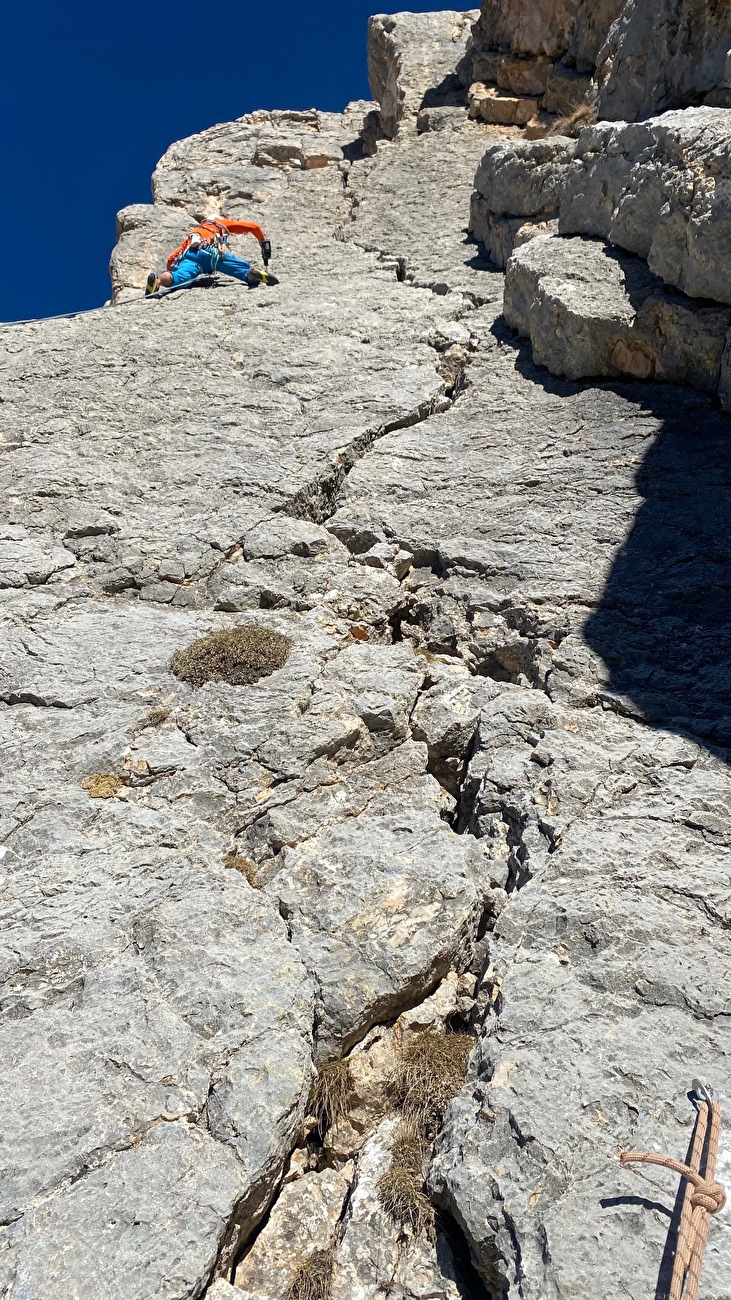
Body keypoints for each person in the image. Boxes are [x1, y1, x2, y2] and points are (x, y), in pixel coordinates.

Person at [145, 217, 277, 295]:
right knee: (232, 265)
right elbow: (253, 226)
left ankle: (157, 282)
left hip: (189, 257)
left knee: (177, 277)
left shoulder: (195, 232)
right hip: (209, 252)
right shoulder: (218, 224)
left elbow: (173, 256)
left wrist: (171, 269)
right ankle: (251, 273)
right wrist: (262, 239)